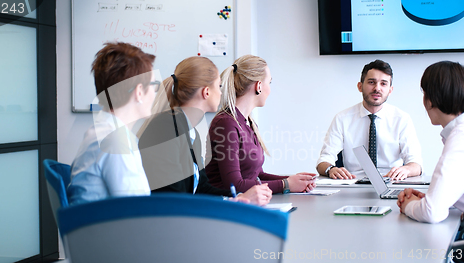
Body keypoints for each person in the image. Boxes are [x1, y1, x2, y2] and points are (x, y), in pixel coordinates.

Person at [139, 56, 272, 205]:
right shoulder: (165, 128)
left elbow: (201, 188)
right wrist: (234, 202)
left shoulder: (190, 132)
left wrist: (238, 198)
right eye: (219, 86)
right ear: (206, 92)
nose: (222, 93)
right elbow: (173, 198)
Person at [205, 55, 316, 194]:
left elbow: (256, 175)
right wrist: (285, 184)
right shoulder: (226, 124)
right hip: (223, 205)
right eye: (269, 82)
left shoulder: (248, 123)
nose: (269, 88)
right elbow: (235, 185)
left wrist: (293, 180)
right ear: (258, 86)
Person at [67, 42, 157, 205]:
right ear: (138, 92)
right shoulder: (114, 141)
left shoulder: (107, 130)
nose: (155, 93)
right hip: (110, 229)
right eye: (153, 86)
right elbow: (135, 211)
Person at [316, 59, 423, 180]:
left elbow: (416, 165)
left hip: (391, 181)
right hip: (353, 183)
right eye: (372, 82)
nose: (377, 88)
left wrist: (406, 169)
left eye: (383, 84)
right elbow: (323, 161)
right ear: (360, 86)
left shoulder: (402, 119)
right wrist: (331, 169)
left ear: (390, 90)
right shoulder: (342, 119)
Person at [398, 61, 464, 223]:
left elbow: (431, 212)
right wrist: (427, 199)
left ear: (430, 99)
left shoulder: (459, 137)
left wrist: (407, 205)